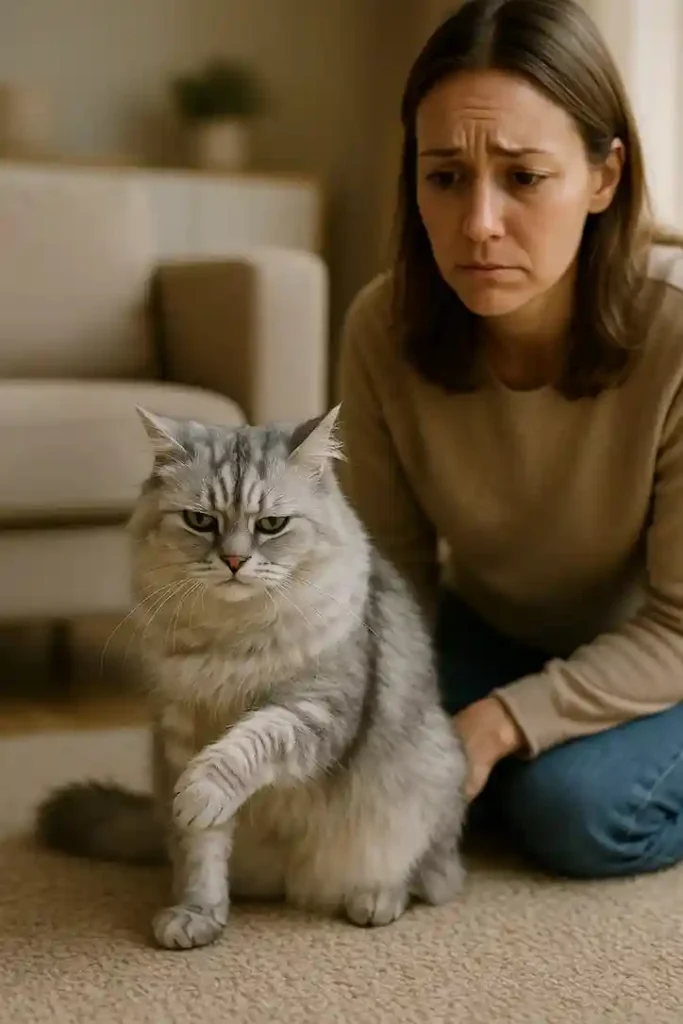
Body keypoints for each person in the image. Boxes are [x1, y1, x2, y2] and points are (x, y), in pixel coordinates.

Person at [335, 0, 683, 880]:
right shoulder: (383, 325)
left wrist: (495, 723)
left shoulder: (675, 329)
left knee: (577, 813)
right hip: (492, 628)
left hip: (660, 648)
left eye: (523, 178)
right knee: (319, 748)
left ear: (604, 177)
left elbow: (677, 625)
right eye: (444, 177)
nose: (478, 224)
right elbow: (392, 586)